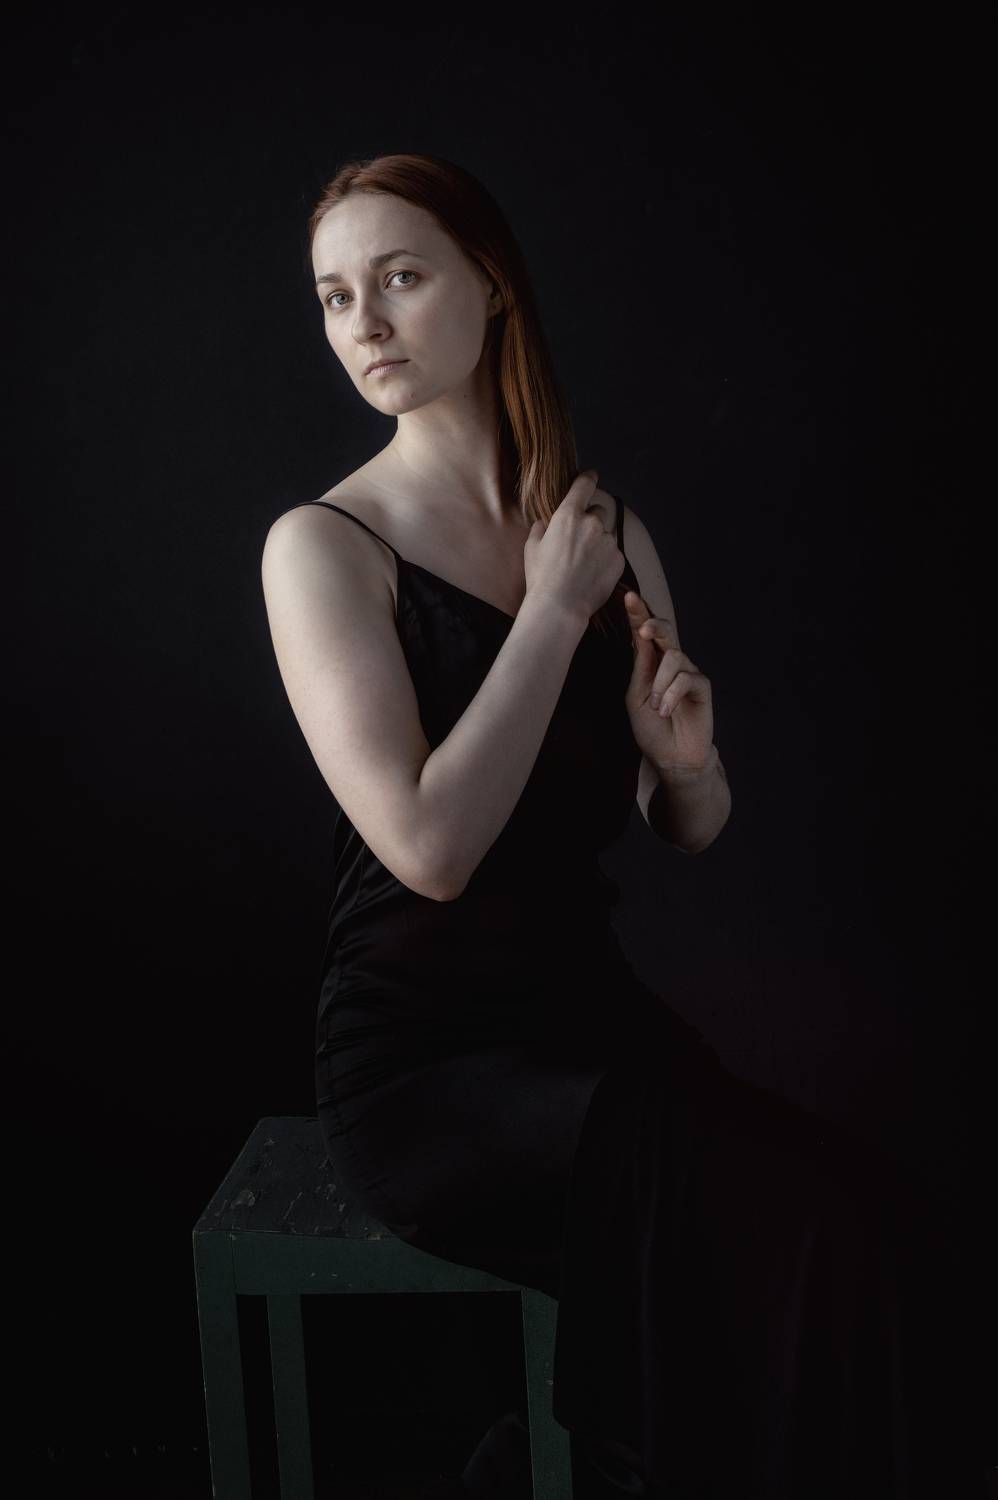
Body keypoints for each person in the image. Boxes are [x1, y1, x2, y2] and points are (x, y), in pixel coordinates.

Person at [261, 153, 986, 1499]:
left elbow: (684, 825)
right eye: (334, 295)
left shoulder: (604, 536)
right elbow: (428, 851)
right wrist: (548, 613)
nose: (364, 323)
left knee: (869, 1226)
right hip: (429, 1072)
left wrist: (687, 766)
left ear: (491, 285)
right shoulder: (323, 548)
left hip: (593, 1029)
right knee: (806, 1244)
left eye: (400, 278)